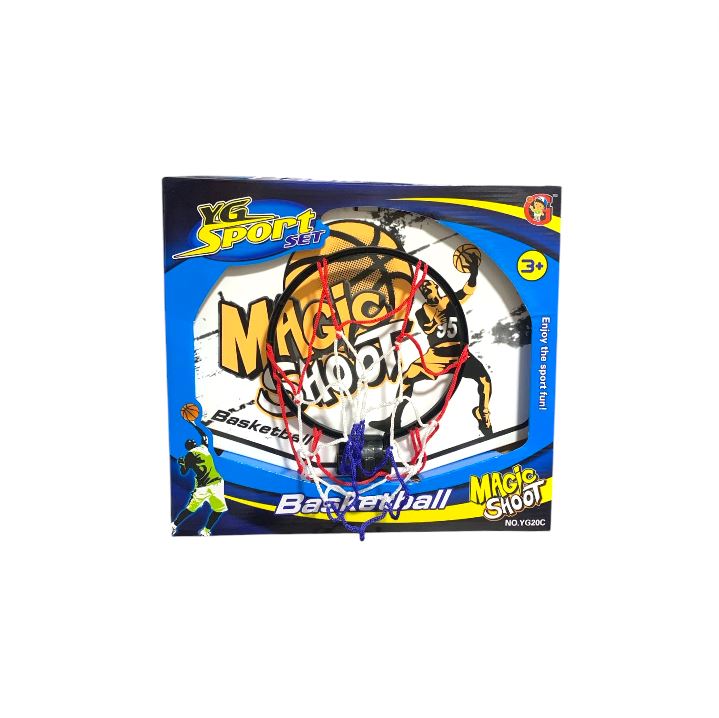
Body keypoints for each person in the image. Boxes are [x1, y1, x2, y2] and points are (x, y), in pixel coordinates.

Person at [171, 422, 227, 536]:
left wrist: (181, 464)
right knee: (219, 510)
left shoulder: (189, 455)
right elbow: (205, 436)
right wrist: (194, 424)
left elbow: (183, 472)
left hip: (203, 486)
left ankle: (173, 525)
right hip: (216, 482)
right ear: (195, 444)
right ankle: (205, 531)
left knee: (191, 508)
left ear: (188, 448)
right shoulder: (203, 448)